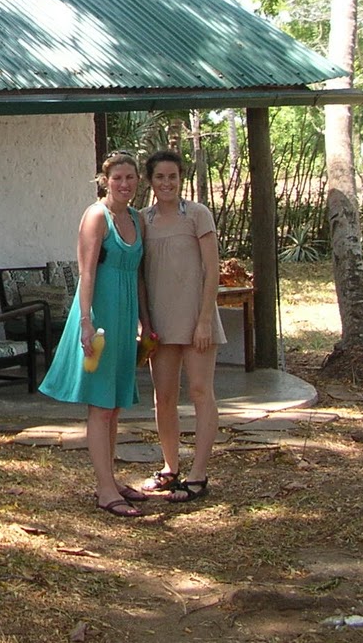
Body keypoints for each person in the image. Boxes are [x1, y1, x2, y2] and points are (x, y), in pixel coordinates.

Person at [38, 151, 152, 518]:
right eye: (117, 178)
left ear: (138, 181)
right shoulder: (95, 216)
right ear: (105, 180)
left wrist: (146, 322)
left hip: (126, 318)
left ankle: (111, 477)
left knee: (115, 403)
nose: (124, 184)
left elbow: (138, 275)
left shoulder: (136, 219)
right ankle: (104, 490)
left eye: (130, 178)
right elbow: (86, 273)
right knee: (100, 405)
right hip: (99, 317)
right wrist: (85, 323)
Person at [138, 149, 224, 503]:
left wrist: (204, 320)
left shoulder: (198, 215)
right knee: (164, 396)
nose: (167, 183)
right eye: (160, 177)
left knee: (201, 391)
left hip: (196, 319)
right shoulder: (143, 220)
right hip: (160, 321)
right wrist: (145, 322)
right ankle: (169, 467)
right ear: (151, 181)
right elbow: (140, 276)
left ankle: (199, 474)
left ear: (181, 178)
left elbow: (212, 269)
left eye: (172, 176)